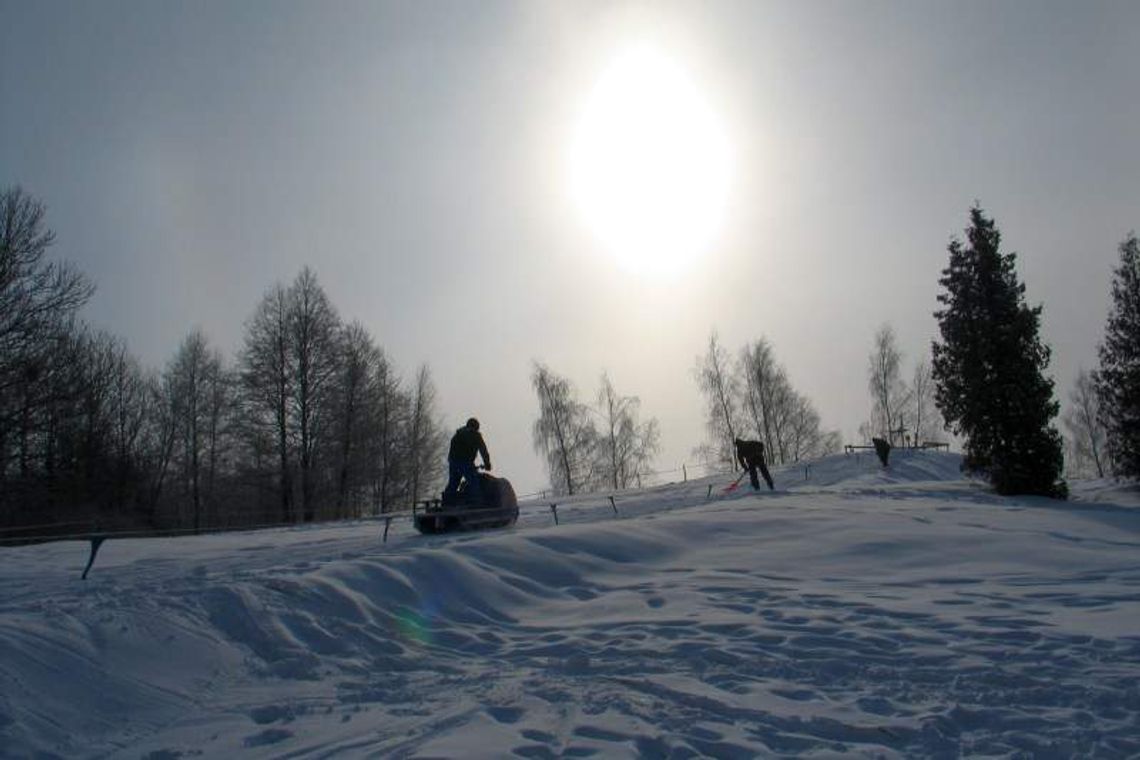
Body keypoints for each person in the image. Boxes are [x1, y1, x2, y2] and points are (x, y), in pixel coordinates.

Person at [443, 417, 492, 504]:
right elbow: (483, 450)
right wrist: (487, 463)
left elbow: (452, 450)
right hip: (465, 463)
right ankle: (476, 503)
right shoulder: (475, 435)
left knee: (453, 483)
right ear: (476, 427)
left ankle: (447, 503)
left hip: (453, 462)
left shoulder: (458, 434)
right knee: (474, 482)